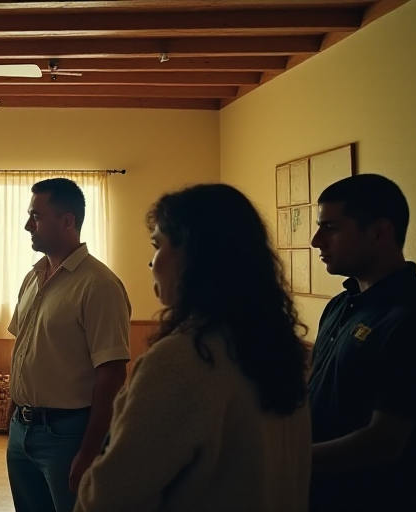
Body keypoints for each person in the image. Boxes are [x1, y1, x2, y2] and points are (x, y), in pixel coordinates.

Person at [74, 183, 312, 511]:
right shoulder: (276, 349)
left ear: (193, 254)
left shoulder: (181, 360)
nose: (152, 262)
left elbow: (110, 498)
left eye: (158, 245)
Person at [307, 174, 416, 512]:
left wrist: (287, 460)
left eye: (331, 227)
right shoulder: (340, 305)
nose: (316, 240)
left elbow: (384, 441)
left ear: (379, 232)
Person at [5, 178, 131, 512]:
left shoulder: (99, 285)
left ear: (67, 221)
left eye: (36, 216)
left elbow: (113, 374)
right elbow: (23, 353)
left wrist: (89, 451)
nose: (27, 225)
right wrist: (13, 417)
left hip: (69, 435)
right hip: (22, 430)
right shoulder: (33, 278)